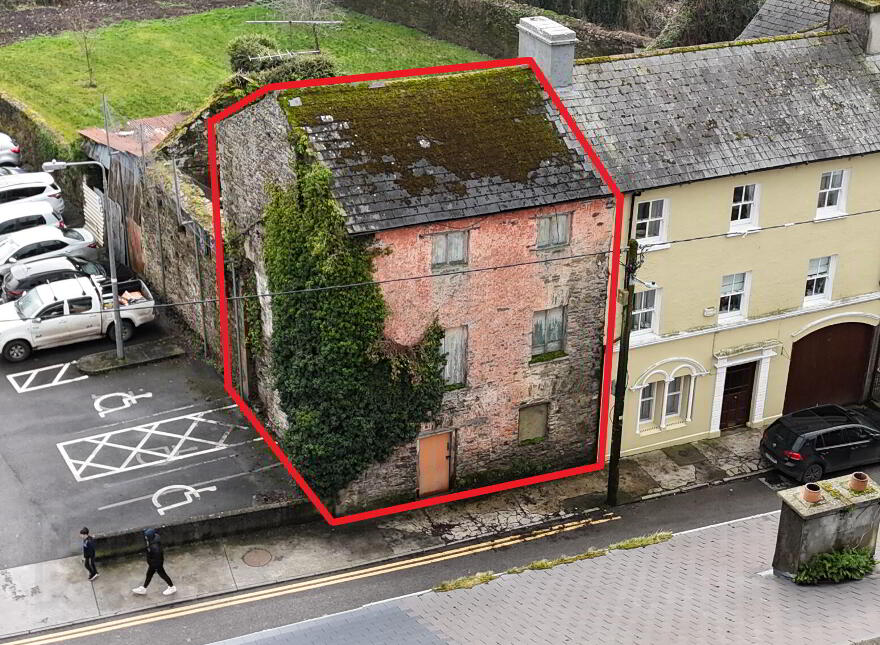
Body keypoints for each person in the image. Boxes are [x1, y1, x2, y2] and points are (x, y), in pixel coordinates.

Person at [132, 529, 176, 596]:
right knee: (149, 575)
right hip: (153, 563)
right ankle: (143, 588)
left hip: (156, 564)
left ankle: (172, 587)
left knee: (163, 575)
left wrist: (155, 566)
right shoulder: (152, 540)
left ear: (149, 537)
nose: (145, 537)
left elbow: (158, 557)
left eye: (146, 536)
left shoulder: (154, 547)